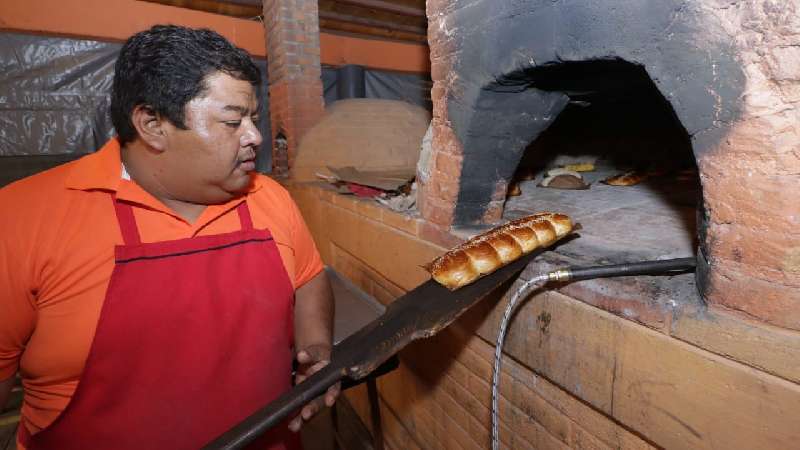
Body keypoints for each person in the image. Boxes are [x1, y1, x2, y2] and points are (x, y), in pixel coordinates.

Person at [0, 25, 338, 449]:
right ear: (152, 124)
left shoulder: (271, 198)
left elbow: (308, 277)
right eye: (233, 121)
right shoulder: (23, 217)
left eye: (253, 119)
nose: (254, 136)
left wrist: (316, 346)